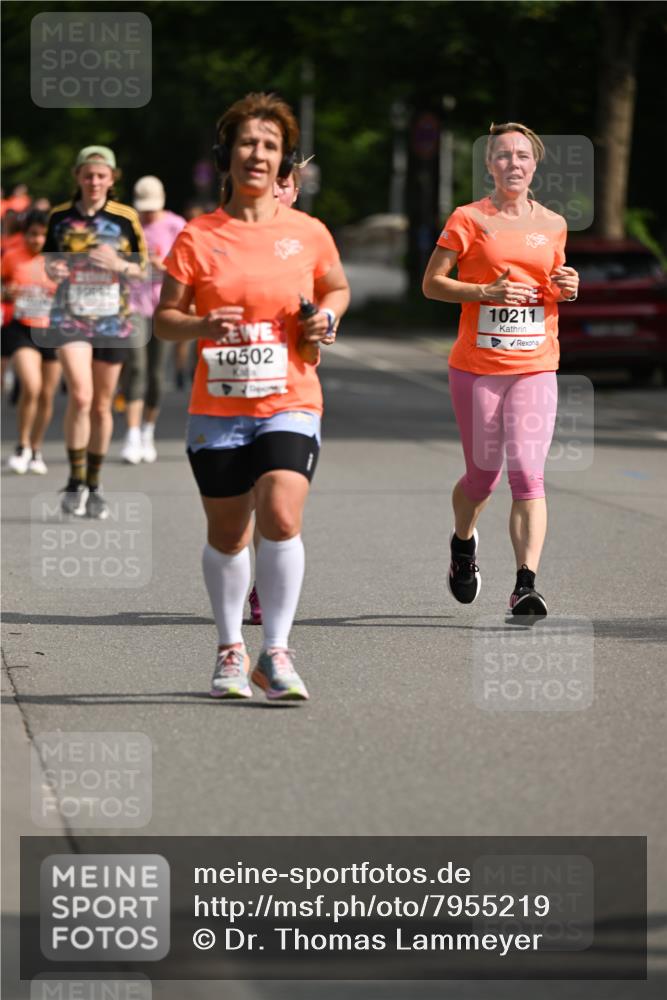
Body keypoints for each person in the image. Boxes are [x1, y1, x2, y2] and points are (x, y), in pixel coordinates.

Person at [155, 92, 349, 700]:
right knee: (229, 535)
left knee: (282, 512)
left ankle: (278, 652)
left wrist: (325, 319)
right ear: (226, 156)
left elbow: (336, 289)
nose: (256, 155)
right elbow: (164, 318)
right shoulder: (198, 236)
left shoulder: (308, 232)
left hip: (291, 394)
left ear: (284, 162)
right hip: (218, 406)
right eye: (246, 143)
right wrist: (200, 327)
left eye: (269, 146)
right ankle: (230, 649)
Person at [422, 122, 579, 619]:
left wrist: (567, 286)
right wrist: (482, 293)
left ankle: (525, 585)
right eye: (503, 156)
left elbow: (551, 284)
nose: (514, 164)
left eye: (523, 156)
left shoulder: (553, 223)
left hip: (535, 365)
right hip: (477, 368)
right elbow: (432, 284)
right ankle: (463, 542)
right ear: (489, 165)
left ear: (535, 166)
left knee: (529, 476)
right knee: (482, 477)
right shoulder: (468, 219)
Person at [44, 146, 147, 518]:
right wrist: (53, 271)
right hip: (70, 318)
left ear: (112, 179)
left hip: (112, 319)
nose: (94, 182)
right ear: (78, 177)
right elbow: (49, 262)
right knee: (82, 397)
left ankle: (94, 483)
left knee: (103, 404)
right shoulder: (59, 217)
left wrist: (119, 263)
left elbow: (143, 269)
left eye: (101, 175)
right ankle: (74, 480)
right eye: (88, 175)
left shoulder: (124, 218)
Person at [119, 176, 186, 464]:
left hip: (164, 305)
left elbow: (187, 264)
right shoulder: (128, 225)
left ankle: (148, 429)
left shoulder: (176, 225)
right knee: (136, 367)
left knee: (157, 374)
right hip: (133, 303)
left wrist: (165, 265)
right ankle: (131, 433)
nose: (147, 214)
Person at [2, 209, 61, 473]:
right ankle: (22, 445)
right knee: (32, 386)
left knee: (47, 394)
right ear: (24, 234)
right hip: (22, 328)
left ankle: (36, 449)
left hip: (52, 330)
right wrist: (7, 291)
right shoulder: (12, 257)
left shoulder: (59, 261)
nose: (37, 240)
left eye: (42, 235)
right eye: (32, 235)